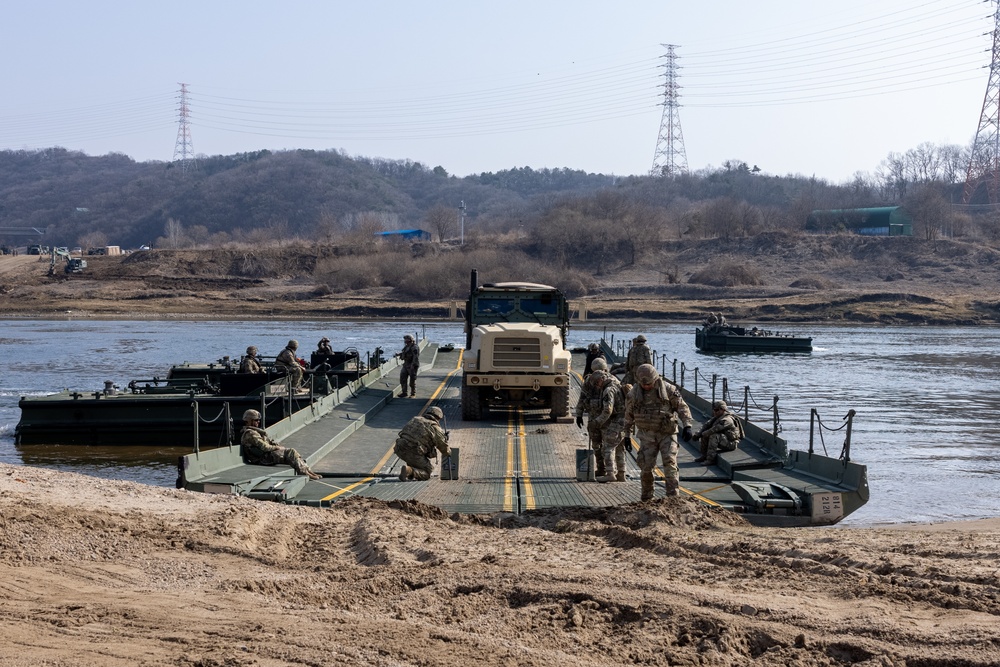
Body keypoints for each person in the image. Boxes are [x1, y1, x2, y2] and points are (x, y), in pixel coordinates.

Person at [624, 363, 693, 501]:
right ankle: (646, 498)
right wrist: (626, 435)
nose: (646, 386)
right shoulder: (634, 394)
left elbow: (682, 407)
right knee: (646, 467)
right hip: (647, 435)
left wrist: (687, 425)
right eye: (644, 384)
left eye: (649, 383)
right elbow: (628, 415)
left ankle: (673, 499)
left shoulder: (668, 389)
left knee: (670, 463)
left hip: (667, 433)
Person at [577, 370, 629, 483]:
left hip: (616, 421)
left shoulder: (608, 390)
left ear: (601, 380)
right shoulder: (615, 383)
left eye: (597, 383)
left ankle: (610, 473)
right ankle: (621, 474)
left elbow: (607, 411)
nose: (597, 386)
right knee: (619, 447)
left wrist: (596, 422)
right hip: (624, 420)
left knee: (608, 447)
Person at [240, 409, 321, 480]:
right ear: (249, 421)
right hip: (262, 458)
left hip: (266, 456)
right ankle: (304, 472)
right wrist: (277, 447)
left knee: (292, 453)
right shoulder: (250, 433)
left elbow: (267, 442)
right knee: (290, 452)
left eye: (258, 420)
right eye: (256, 420)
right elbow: (265, 447)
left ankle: (308, 471)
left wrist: (274, 444)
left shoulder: (255, 432)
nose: (258, 422)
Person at [395, 406, 450, 481]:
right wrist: (448, 452)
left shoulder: (415, 419)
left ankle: (410, 470)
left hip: (399, 448)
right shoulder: (434, 426)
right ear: (438, 417)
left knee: (416, 458)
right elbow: (443, 447)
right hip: (413, 452)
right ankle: (409, 471)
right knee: (427, 472)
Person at [693, 400, 745, 465]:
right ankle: (704, 455)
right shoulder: (717, 418)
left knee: (713, 435)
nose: (715, 412)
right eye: (714, 410)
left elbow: (716, 429)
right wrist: (699, 433)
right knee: (705, 434)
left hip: (731, 443)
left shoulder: (727, 419)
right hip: (724, 440)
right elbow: (706, 425)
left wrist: (704, 433)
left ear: (723, 409)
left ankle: (711, 459)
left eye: (716, 410)